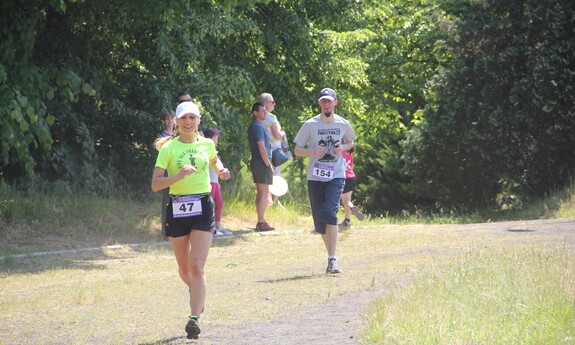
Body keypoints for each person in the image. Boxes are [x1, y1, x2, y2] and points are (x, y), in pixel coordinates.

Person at [151, 101, 230, 340]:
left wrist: (223, 170)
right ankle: (197, 291)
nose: (188, 122)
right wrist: (178, 175)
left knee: (197, 266)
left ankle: (194, 318)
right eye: (184, 118)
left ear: (198, 121)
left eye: (192, 118)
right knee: (184, 269)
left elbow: (215, 161)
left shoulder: (206, 143)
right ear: (176, 122)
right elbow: (155, 185)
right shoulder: (168, 149)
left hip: (203, 207)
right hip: (177, 209)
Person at [293, 88, 356, 274]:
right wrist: (312, 152)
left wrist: (342, 147)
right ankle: (330, 257)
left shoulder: (343, 124)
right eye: (323, 101)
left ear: (336, 102)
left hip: (336, 174)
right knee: (321, 222)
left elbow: (351, 142)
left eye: (330, 101)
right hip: (315, 176)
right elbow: (297, 150)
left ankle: (333, 259)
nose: (326, 104)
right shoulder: (310, 125)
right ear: (319, 103)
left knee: (330, 212)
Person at [247, 102, 275, 231]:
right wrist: (268, 164)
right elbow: (262, 147)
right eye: (262, 111)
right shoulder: (257, 126)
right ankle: (261, 222)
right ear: (255, 113)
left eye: (266, 111)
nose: (265, 112)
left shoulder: (257, 125)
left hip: (258, 162)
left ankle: (261, 220)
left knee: (261, 192)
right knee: (263, 192)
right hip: (261, 162)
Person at [259, 92, 289, 208]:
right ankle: (273, 202)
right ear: (266, 104)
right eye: (272, 102)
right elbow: (277, 135)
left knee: (266, 177)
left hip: (263, 150)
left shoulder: (258, 118)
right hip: (275, 151)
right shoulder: (272, 118)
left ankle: (266, 201)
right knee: (275, 177)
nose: (274, 104)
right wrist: (283, 133)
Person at [204, 128, 233, 237]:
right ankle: (210, 227)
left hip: (216, 182)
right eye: (215, 137)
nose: (217, 139)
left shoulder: (215, 152)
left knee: (219, 204)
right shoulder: (205, 151)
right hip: (210, 182)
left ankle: (217, 226)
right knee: (210, 205)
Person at [158, 109, 176, 237]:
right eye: (167, 119)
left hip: (177, 174)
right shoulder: (162, 137)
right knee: (167, 203)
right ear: (163, 121)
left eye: (172, 118)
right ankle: (165, 231)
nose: (170, 121)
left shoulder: (179, 136)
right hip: (166, 175)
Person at [338, 143, 365, 229]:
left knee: (344, 201)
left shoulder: (340, 153)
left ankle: (352, 209)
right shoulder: (350, 154)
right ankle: (347, 221)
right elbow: (351, 167)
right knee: (347, 200)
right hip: (352, 177)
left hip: (343, 177)